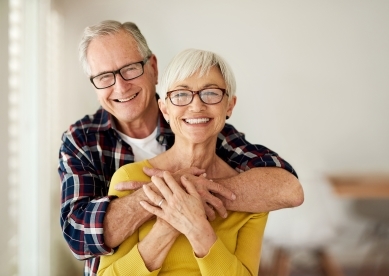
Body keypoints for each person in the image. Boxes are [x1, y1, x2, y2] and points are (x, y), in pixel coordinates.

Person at [58, 20, 303, 276]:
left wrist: (189, 193)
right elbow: (78, 237)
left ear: (152, 67)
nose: (120, 86)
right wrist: (162, 197)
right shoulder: (82, 140)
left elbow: (287, 188)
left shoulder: (205, 128)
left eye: (130, 69)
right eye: (105, 77)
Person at [97, 48, 269, 276]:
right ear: (165, 109)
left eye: (210, 93)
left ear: (229, 105)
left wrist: (196, 227)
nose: (196, 106)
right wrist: (168, 224)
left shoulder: (250, 196)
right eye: (181, 95)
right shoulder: (130, 179)